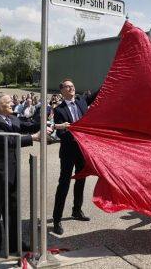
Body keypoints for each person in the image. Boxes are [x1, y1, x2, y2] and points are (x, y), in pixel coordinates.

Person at [0, 92, 52, 260]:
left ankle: (14, 245)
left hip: (11, 174)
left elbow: (28, 125)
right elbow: (9, 141)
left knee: (12, 211)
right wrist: (33, 138)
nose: (12, 103)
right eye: (8, 101)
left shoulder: (11, 118)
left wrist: (46, 120)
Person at [52, 79, 98, 235]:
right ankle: (56, 220)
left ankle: (77, 210)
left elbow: (99, 93)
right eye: (67, 86)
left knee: (81, 179)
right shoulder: (59, 110)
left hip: (82, 151)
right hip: (68, 152)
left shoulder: (81, 101)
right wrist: (76, 135)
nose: (71, 88)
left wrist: (112, 78)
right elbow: (60, 133)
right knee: (63, 184)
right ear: (62, 91)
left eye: (72, 85)